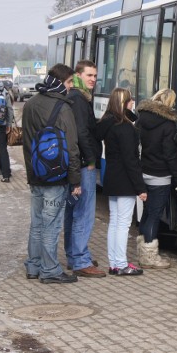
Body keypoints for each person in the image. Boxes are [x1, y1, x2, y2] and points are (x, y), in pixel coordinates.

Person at [22, 64, 81, 284]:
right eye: (69, 83)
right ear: (59, 82)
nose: (70, 88)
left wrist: (32, 170)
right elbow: (72, 147)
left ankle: (33, 265)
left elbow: (27, 142)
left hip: (35, 174)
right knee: (52, 224)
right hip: (55, 176)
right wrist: (75, 179)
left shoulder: (30, 104)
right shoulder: (63, 107)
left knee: (36, 222)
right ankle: (50, 270)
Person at [96, 87, 147, 276]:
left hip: (112, 178)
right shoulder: (125, 128)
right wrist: (140, 187)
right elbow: (131, 160)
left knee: (115, 222)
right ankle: (121, 264)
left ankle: (114, 263)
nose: (133, 102)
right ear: (124, 103)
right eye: (130, 100)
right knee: (123, 224)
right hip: (125, 181)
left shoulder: (108, 124)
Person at [63, 60, 106, 278]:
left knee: (73, 211)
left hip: (74, 163)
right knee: (84, 213)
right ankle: (80, 259)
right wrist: (91, 160)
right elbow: (81, 133)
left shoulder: (75, 97)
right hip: (83, 164)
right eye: (89, 75)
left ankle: (73, 255)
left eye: (95, 76)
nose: (93, 79)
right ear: (78, 75)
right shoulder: (79, 100)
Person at [135, 88, 177, 269]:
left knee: (146, 213)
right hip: (160, 176)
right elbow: (170, 155)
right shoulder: (167, 124)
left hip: (143, 172)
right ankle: (150, 257)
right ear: (170, 103)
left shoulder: (142, 118)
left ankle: (142, 252)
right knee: (154, 216)